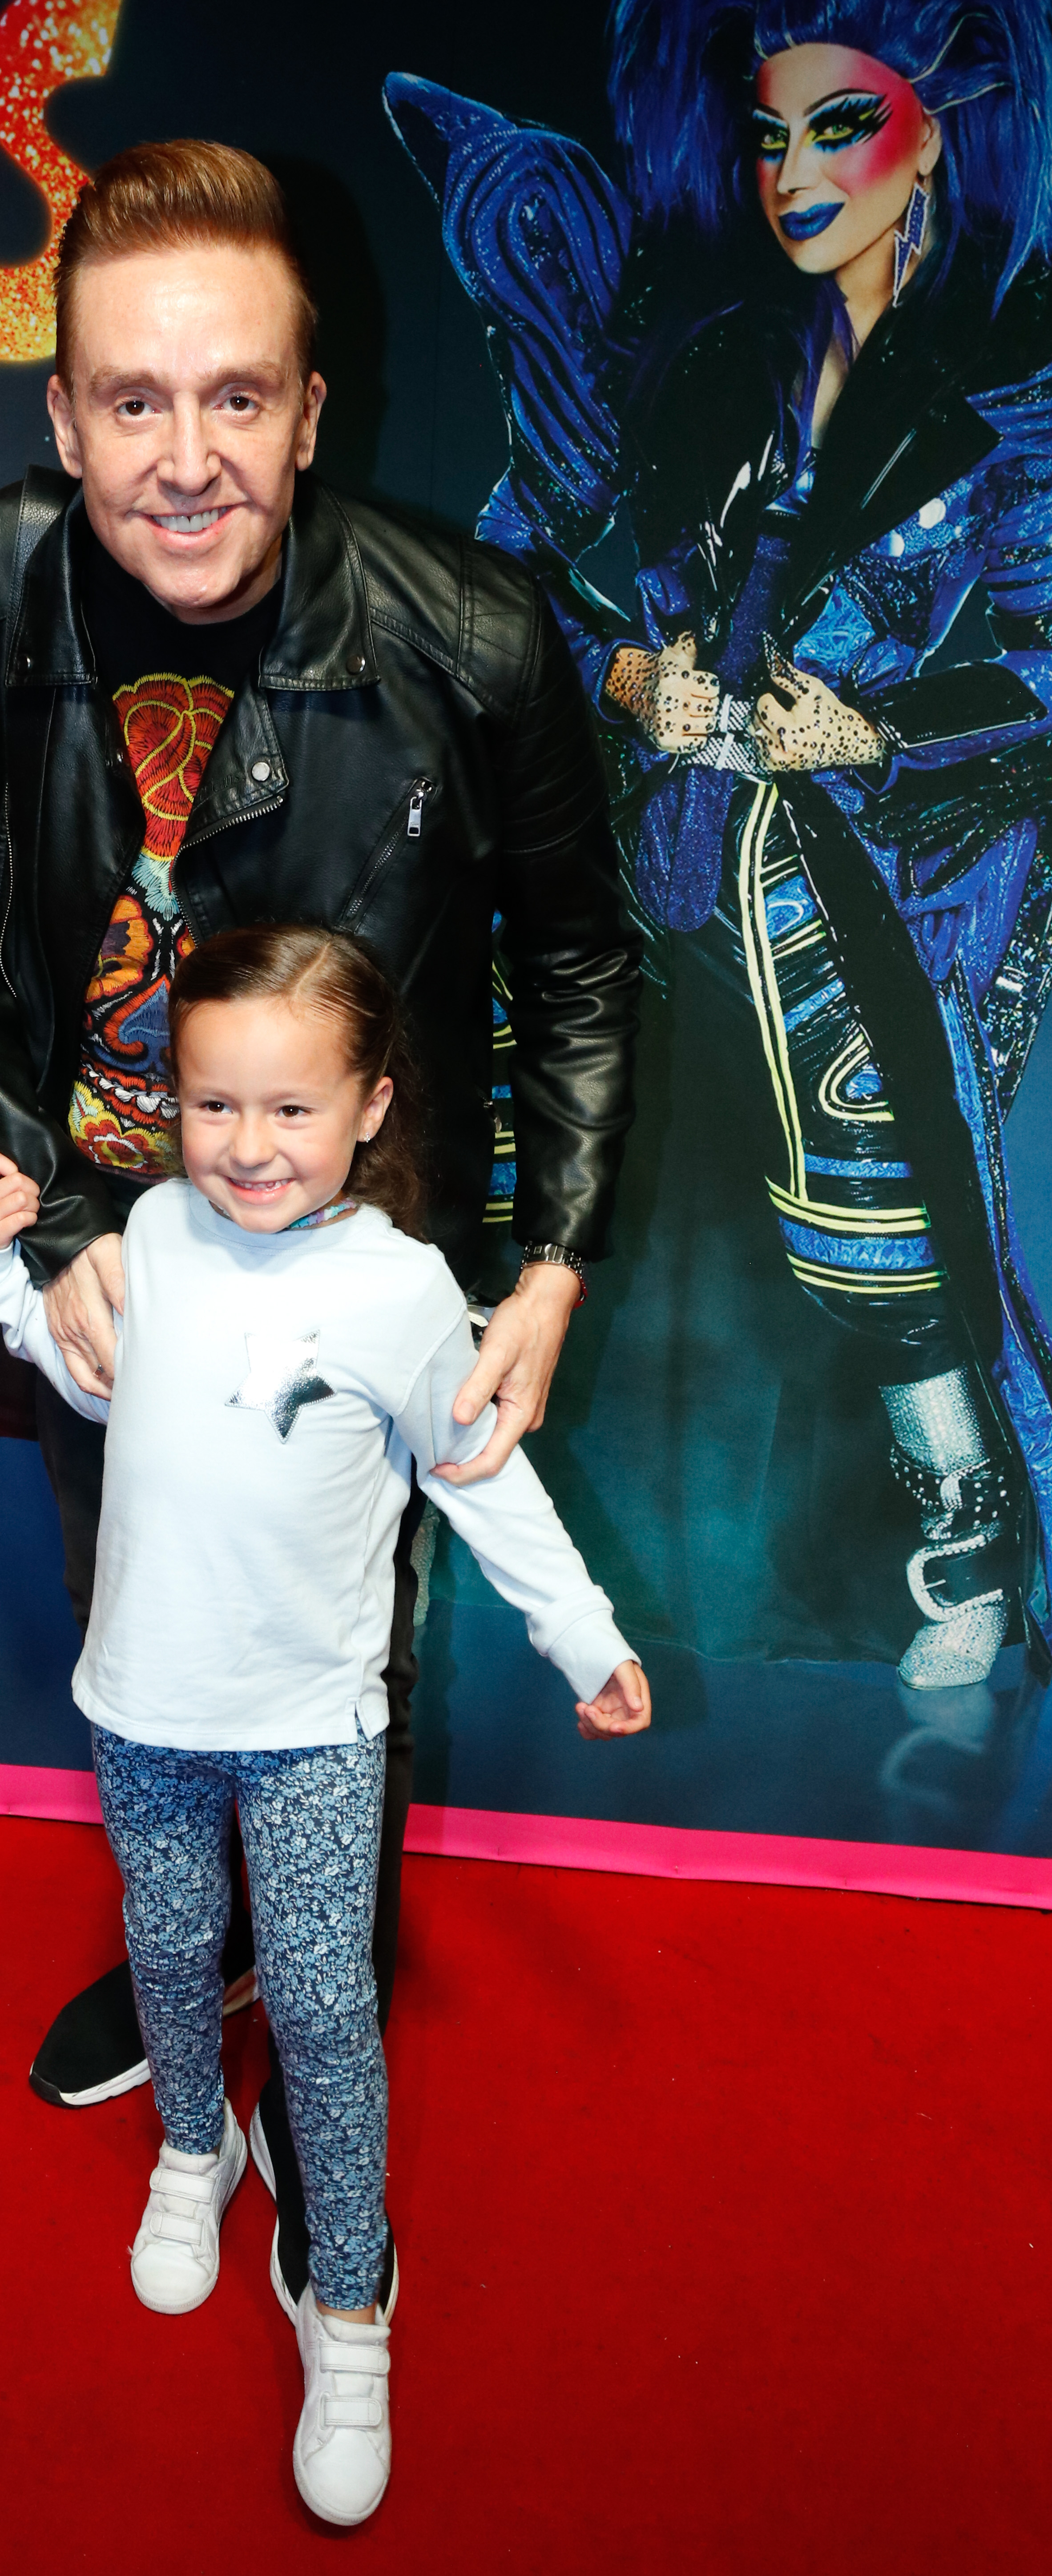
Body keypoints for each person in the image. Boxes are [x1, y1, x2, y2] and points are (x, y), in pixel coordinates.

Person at [0, 136, 641, 2303]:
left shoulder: (466, 631)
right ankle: (208, 1989)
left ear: (311, 408)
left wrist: (551, 1258)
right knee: (148, 1607)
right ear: (62, 412)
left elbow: (577, 957)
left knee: (342, 1640)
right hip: (98, 1234)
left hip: (355, 1236)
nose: (189, 461)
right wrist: (61, 1199)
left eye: (237, 399)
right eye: (136, 403)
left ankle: (307, 1981)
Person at [386, 0, 1052, 1701]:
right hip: (682, 877)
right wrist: (629, 675)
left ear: (944, 133)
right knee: (639, 1231)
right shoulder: (715, 364)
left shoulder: (1019, 385)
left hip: (924, 896)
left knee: (921, 1253)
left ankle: (976, 1552)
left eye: (842, 128)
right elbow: (517, 573)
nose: (796, 173)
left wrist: (893, 723)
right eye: (771, 137)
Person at [0, 924, 650, 2529]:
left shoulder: (405, 1291)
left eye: (288, 1110)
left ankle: (349, 2308)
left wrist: (581, 1634)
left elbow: (486, 1474)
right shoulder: (147, 1229)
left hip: (317, 1728)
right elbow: (96, 1388)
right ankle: (190, 2153)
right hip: (143, 1706)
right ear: (172, 1107)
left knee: (331, 2011)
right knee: (170, 1944)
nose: (247, 1147)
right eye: (214, 1107)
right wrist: (7, 1271)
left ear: (369, 1109)